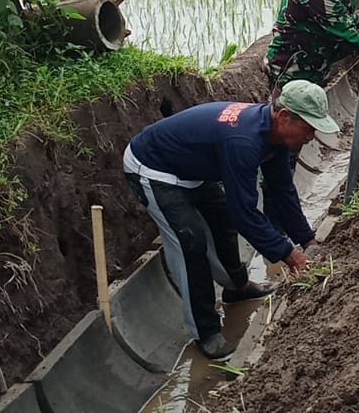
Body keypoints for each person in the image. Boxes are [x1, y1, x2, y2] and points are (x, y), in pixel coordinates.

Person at [123, 80, 339, 362]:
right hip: (153, 169)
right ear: (285, 116)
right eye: (308, 128)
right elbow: (246, 213)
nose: (311, 136)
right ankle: (206, 333)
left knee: (222, 220)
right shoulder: (244, 141)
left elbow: (283, 190)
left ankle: (237, 288)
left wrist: (307, 239)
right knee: (191, 242)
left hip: (191, 169)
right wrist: (291, 256)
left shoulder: (274, 136)